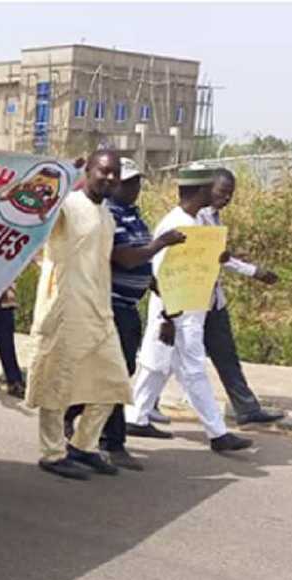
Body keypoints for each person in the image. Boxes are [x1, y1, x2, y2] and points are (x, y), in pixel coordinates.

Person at [62, 157, 186, 470]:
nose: (133, 187)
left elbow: (141, 265)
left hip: (128, 307)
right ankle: (111, 442)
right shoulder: (108, 215)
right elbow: (125, 258)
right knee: (115, 376)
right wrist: (161, 244)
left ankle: (74, 409)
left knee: (120, 371)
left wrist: (160, 293)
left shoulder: (132, 215)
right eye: (127, 182)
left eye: (135, 181)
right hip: (108, 304)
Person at [125, 164, 254, 452]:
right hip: (176, 312)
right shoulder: (176, 224)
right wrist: (168, 318)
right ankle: (218, 434)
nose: (216, 193)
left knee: (156, 365)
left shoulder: (194, 221)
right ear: (199, 191)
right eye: (211, 188)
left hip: (188, 309)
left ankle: (137, 416)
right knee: (192, 369)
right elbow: (158, 275)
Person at [25, 150, 131, 480]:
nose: (110, 178)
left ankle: (84, 445)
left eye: (115, 173)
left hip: (99, 311)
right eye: (104, 171)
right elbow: (31, 209)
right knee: (57, 385)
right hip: (65, 310)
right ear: (88, 171)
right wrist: (59, 175)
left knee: (114, 384)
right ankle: (52, 453)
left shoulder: (108, 215)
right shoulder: (67, 206)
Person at [193, 168, 284, 425]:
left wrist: (254, 271)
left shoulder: (214, 217)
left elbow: (219, 257)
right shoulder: (196, 218)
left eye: (230, 194)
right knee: (168, 358)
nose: (227, 199)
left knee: (226, 354)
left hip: (212, 300)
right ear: (208, 188)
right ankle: (141, 410)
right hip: (193, 299)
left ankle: (246, 408)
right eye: (223, 192)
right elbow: (212, 257)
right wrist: (254, 271)